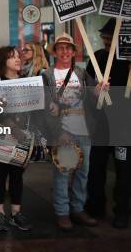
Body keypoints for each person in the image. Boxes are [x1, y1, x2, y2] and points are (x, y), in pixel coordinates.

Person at [42, 33, 108, 231]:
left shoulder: (81, 73)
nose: (65, 51)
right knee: (63, 172)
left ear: (73, 52)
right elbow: (45, 108)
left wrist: (99, 92)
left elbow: (93, 101)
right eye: (61, 48)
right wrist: (57, 133)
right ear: (55, 51)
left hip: (84, 130)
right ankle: (62, 212)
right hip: (63, 131)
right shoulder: (47, 75)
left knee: (83, 172)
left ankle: (78, 208)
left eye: (68, 48)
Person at [84, 18, 131, 228]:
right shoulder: (97, 58)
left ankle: (122, 211)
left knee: (124, 170)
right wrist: (93, 95)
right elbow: (87, 90)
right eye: (104, 37)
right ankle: (95, 205)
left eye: (110, 37)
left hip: (124, 125)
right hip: (102, 124)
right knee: (96, 166)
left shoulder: (128, 61)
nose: (106, 40)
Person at [0, 46, 33, 232]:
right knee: (0, 173)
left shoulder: (27, 82)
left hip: (23, 134)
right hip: (3, 136)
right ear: (2, 62)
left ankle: (15, 213)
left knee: (17, 174)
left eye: (18, 56)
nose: (17, 59)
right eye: (12, 57)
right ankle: (0, 213)